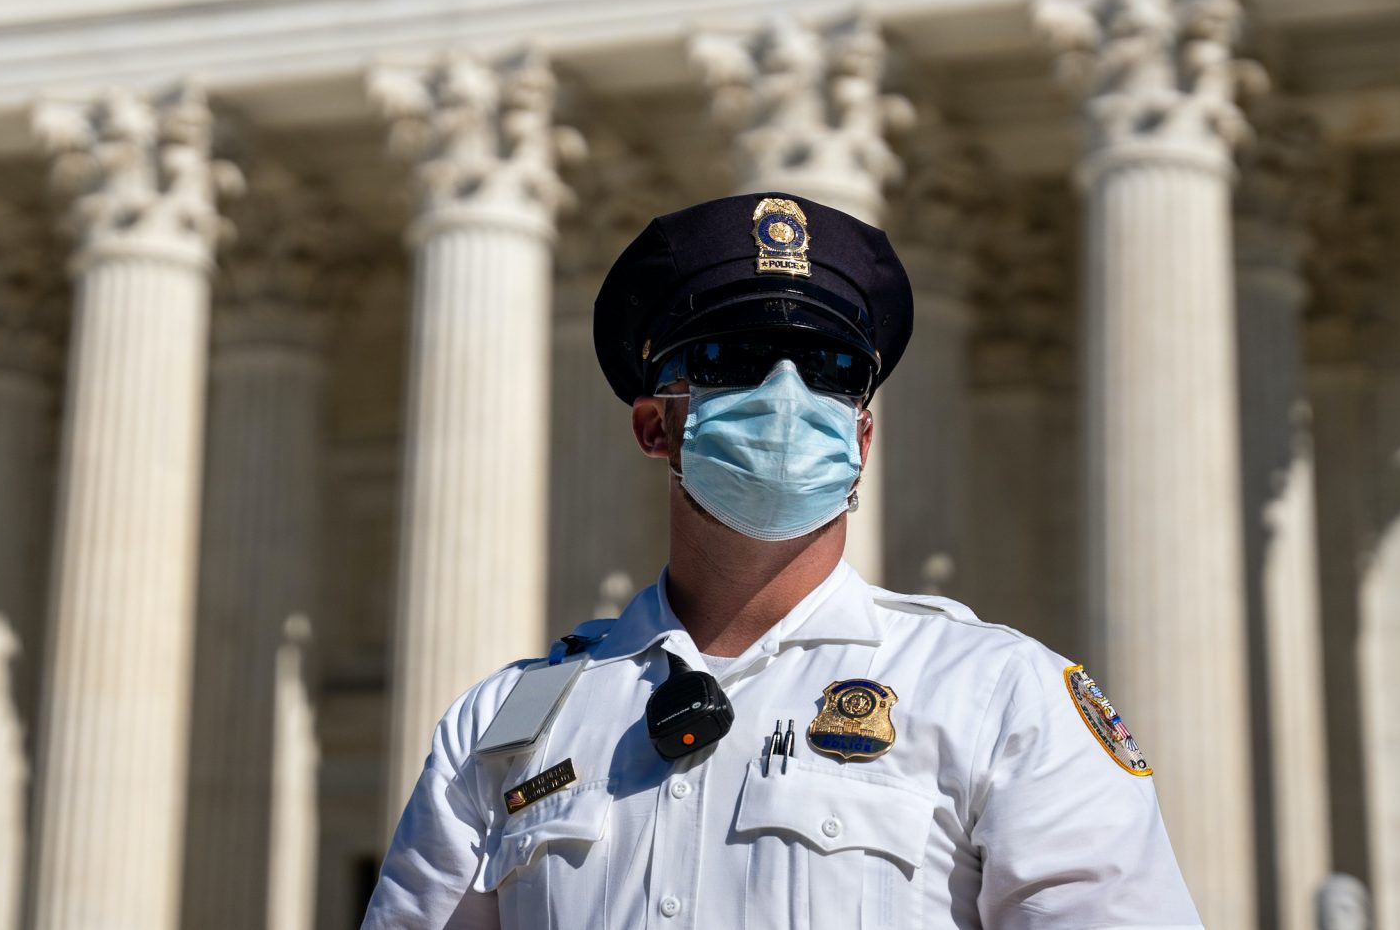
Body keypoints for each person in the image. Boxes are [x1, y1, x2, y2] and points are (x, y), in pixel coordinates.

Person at [363, 192, 1199, 928]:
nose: (786, 399)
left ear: (861, 437)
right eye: (734, 361)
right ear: (656, 426)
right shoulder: (504, 730)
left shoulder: (998, 698)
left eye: (831, 371)